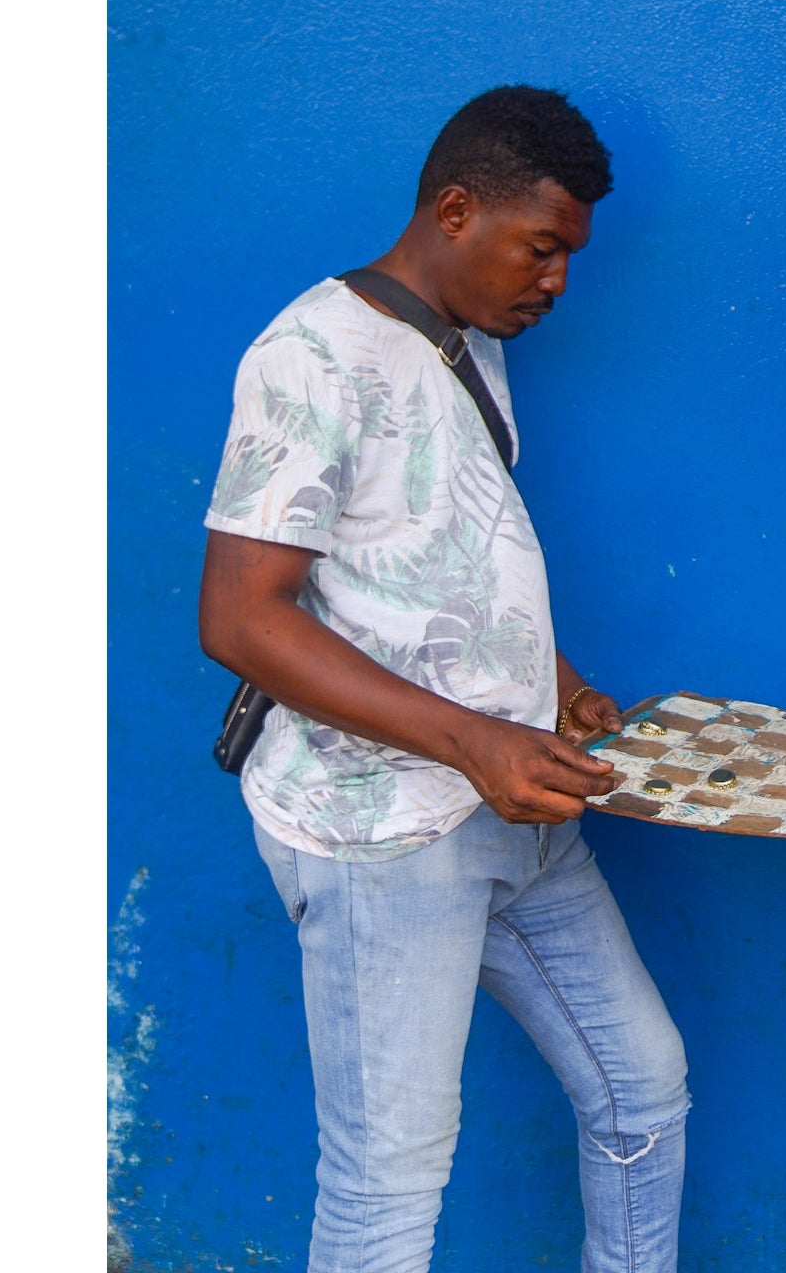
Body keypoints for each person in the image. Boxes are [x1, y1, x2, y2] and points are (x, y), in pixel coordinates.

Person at [198, 86, 688, 1273]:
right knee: (386, 1188)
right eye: (541, 246)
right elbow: (240, 616)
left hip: (510, 807)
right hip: (381, 836)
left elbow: (435, 551)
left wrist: (550, 679)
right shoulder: (312, 354)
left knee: (642, 1087)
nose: (557, 279)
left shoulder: (461, 338)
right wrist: (476, 737)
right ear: (455, 210)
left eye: (570, 253)